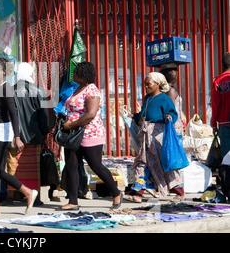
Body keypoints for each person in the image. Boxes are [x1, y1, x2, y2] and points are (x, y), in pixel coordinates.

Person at [0, 57, 38, 218]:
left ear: (3, 72)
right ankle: (27, 191)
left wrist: (17, 137)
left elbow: (14, 113)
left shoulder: (6, 88)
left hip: (2, 130)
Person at [58, 62, 122, 210]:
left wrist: (71, 124)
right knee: (71, 166)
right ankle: (73, 201)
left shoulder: (92, 90)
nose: (73, 76)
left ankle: (116, 192)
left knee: (96, 166)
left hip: (89, 134)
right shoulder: (78, 88)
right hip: (72, 135)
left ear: (83, 75)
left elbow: (90, 114)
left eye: (75, 74)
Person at [124, 72, 184, 203]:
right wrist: (133, 116)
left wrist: (169, 117)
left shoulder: (165, 98)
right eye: (145, 84)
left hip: (158, 135)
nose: (145, 86)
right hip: (146, 135)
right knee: (143, 163)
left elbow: (173, 114)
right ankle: (137, 192)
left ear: (157, 84)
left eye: (148, 83)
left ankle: (179, 192)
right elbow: (143, 115)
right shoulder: (147, 98)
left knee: (164, 163)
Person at [10, 62, 52, 204]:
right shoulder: (39, 91)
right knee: (33, 169)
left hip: (15, 137)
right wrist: (45, 134)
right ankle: (36, 196)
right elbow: (43, 117)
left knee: (14, 166)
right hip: (34, 136)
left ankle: (16, 194)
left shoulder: (10, 90)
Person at [211, 53, 230, 158]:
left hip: (224, 122)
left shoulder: (217, 82)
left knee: (227, 155)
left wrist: (213, 124)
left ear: (222, 66)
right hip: (225, 122)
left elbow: (215, 105)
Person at [160, 63, 184, 135]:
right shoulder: (170, 90)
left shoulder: (163, 89)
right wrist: (172, 133)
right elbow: (171, 112)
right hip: (174, 128)